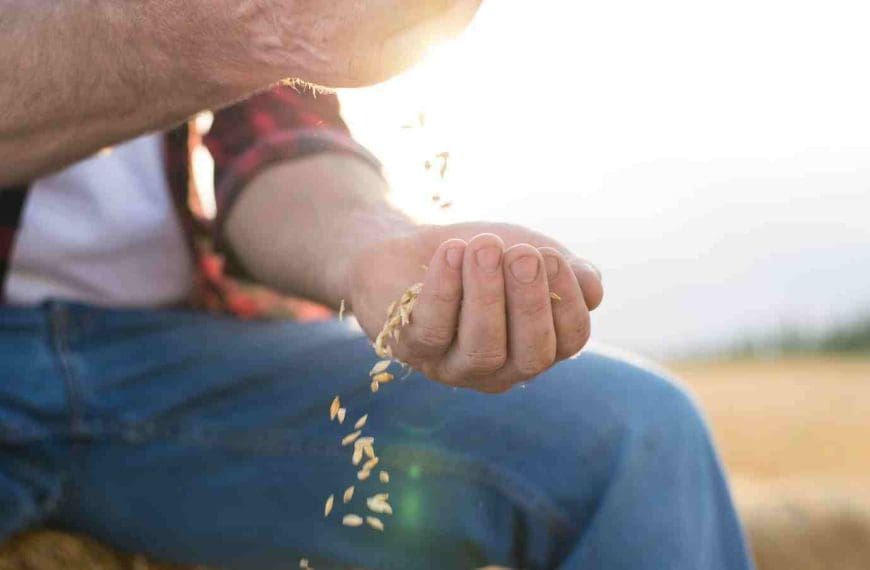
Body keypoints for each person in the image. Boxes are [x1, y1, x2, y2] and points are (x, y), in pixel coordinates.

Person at [0, 2, 753, 568]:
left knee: (636, 436)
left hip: (167, 357)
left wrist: (374, 251)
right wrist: (258, 30)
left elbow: (275, 149)